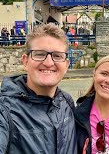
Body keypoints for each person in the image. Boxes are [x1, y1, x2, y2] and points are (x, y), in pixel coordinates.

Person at [0, 23, 77, 153]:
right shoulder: (4, 110)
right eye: (40, 54)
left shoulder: (67, 102)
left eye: (57, 56)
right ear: (25, 61)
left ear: (66, 65)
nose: (48, 63)